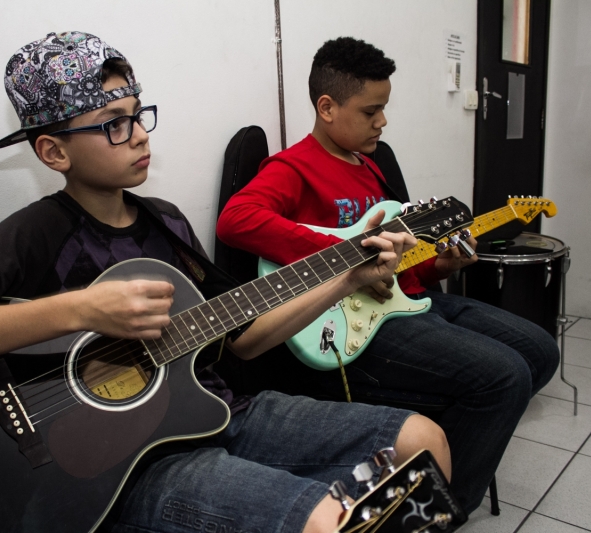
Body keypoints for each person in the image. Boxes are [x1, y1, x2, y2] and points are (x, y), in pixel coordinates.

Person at [0, 32, 450, 532]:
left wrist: (347, 278)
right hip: (133, 462)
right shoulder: (35, 234)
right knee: (328, 520)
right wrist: (83, 311)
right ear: (53, 151)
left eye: (138, 114)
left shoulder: (167, 222)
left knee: (422, 442)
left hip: (221, 412)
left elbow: (243, 337)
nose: (140, 135)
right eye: (113, 125)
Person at [216, 36, 560, 514]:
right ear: (328, 107)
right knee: (505, 378)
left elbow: (402, 259)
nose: (382, 121)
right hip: (356, 323)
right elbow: (236, 220)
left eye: (384, 109)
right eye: (371, 111)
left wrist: (443, 262)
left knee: (541, 351)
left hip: (410, 298)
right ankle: (437, 510)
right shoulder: (294, 167)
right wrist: (348, 255)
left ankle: (439, 457)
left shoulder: (374, 167)